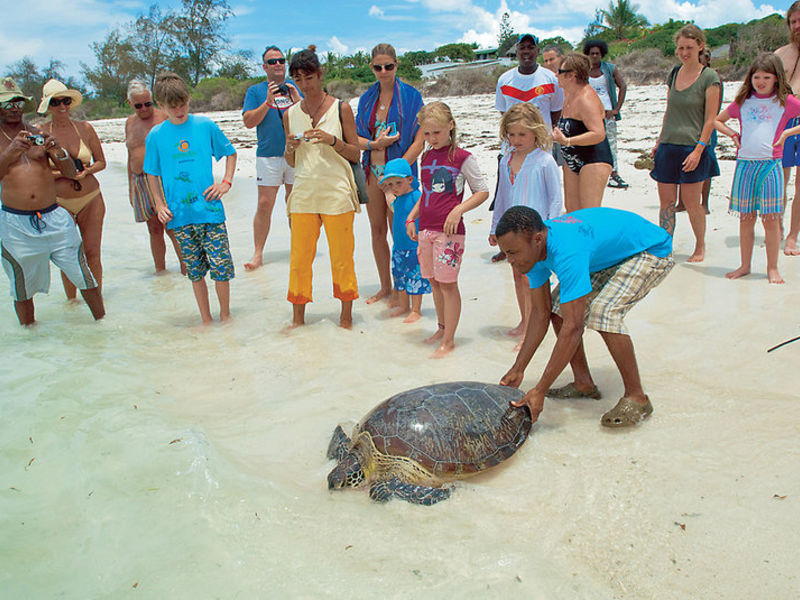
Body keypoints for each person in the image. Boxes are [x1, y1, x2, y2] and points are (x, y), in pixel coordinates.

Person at [496, 206, 674, 427]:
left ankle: (637, 398)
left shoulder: (567, 251)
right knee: (558, 310)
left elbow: (574, 327)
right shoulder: (530, 254)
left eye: (513, 253)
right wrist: (518, 367)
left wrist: (540, 389)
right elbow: (540, 314)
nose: (510, 261)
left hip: (650, 250)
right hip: (606, 257)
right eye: (506, 253)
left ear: (538, 239)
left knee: (604, 312)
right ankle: (583, 383)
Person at [0, 77, 104, 325]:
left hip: (54, 216)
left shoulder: (38, 132)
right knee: (22, 287)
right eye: (7, 103)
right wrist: (11, 151)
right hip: (16, 223)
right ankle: (31, 339)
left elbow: (68, 171)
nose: (14, 107)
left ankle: (102, 326)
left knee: (83, 274)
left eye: (18, 102)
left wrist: (58, 151)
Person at [144, 72, 237, 325]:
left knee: (221, 268)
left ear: (188, 99)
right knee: (195, 272)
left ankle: (226, 316)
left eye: (183, 103)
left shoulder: (205, 126)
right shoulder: (155, 135)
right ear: (160, 105)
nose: (179, 109)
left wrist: (226, 182)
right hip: (179, 217)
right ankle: (206, 319)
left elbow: (230, 152)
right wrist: (159, 204)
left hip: (210, 212)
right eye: (172, 106)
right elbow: (151, 173)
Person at [283, 47, 361, 329]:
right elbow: (290, 161)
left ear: (320, 74)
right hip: (303, 195)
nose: (305, 85)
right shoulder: (290, 114)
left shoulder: (341, 108)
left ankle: (346, 318)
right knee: (299, 261)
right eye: (298, 79)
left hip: (337, 194)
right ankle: (297, 322)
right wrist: (289, 147)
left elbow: (355, 154)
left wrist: (332, 141)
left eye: (309, 77)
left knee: (342, 259)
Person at [405, 102, 489, 358]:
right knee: (433, 282)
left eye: (437, 133)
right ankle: (441, 329)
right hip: (426, 229)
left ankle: (450, 340)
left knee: (448, 284)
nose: (432, 139)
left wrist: (458, 210)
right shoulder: (426, 156)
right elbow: (427, 193)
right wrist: (411, 217)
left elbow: (483, 191)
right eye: (427, 134)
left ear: (450, 126)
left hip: (449, 233)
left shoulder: (462, 157)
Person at [715, 53, 800, 284]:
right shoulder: (743, 102)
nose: (760, 81)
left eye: (766, 77)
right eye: (756, 77)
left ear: (776, 79)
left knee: (771, 219)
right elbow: (717, 120)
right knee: (746, 218)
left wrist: (787, 133)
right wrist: (733, 134)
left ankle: (772, 268)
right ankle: (744, 265)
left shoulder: (785, 102)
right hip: (744, 165)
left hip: (771, 165)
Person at [356, 43, 425, 304]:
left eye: (389, 66)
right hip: (372, 173)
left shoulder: (411, 97)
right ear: (371, 68)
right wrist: (375, 145)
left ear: (397, 65)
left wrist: (396, 176)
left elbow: (420, 142)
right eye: (378, 67)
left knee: (401, 232)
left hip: (402, 177)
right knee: (376, 231)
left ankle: (405, 291)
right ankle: (386, 287)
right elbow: (356, 138)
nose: (383, 71)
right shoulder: (366, 100)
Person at [489, 103, 562, 348]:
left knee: (535, 279)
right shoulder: (505, 161)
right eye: (511, 134)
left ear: (536, 132)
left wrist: (550, 229)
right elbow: (501, 197)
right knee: (517, 276)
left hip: (535, 233)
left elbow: (555, 198)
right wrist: (494, 228)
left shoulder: (544, 161)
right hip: (512, 232)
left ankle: (533, 326)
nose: (516, 139)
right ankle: (524, 320)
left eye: (522, 134)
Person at [650, 24, 721, 263]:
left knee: (692, 203)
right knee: (666, 203)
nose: (684, 52)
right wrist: (659, 141)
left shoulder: (709, 77)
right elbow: (669, 111)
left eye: (689, 47)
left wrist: (699, 150)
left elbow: (711, 119)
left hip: (694, 147)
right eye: (680, 48)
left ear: (701, 46)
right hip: (668, 145)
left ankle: (700, 246)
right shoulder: (673, 73)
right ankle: (664, 246)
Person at [493, 34, 564, 262]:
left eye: (530, 47)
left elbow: (556, 111)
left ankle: (537, 240)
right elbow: (505, 114)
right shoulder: (505, 80)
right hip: (511, 154)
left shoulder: (550, 78)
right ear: (516, 50)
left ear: (537, 50)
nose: (526, 51)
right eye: (521, 47)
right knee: (508, 193)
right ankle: (509, 242)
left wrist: (550, 230)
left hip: (540, 150)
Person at [38, 79, 106, 298]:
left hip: (91, 198)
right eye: (56, 102)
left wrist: (87, 171)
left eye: (65, 100)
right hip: (59, 203)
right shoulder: (40, 133)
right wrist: (61, 173)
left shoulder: (85, 128)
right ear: (48, 106)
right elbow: (37, 172)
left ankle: (96, 298)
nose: (62, 106)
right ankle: (72, 302)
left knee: (93, 253)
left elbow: (101, 162)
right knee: (68, 255)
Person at [242, 45, 302, 271]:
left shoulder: (296, 87)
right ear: (264, 67)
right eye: (272, 61)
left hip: (296, 154)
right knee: (264, 204)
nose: (278, 64)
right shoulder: (255, 91)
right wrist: (268, 101)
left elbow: (311, 117)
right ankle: (258, 254)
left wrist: (297, 100)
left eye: (281, 60)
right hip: (268, 155)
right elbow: (248, 122)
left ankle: (298, 249)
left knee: (294, 204)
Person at [124, 79, 184, 274]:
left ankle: (187, 269)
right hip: (140, 181)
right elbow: (130, 155)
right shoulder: (129, 123)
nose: (144, 109)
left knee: (172, 227)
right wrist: (130, 187)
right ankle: (161, 272)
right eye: (138, 105)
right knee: (154, 229)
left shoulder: (165, 118)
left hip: (163, 180)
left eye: (147, 104)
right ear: (130, 103)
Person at [551, 53, 613, 212]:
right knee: (572, 210)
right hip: (572, 158)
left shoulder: (586, 98)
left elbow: (598, 133)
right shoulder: (568, 95)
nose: (556, 75)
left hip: (594, 159)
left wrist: (567, 141)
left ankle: (598, 237)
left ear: (572, 75)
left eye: (560, 72)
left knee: (589, 213)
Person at [378, 158, 430, 322]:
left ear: (410, 180)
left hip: (414, 246)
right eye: (391, 184)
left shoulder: (416, 196)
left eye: (398, 183)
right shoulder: (397, 198)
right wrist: (386, 190)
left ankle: (416, 309)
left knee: (415, 279)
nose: (395, 187)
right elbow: (392, 205)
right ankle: (403, 305)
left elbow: (426, 213)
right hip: (399, 247)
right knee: (400, 277)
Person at [583, 39, 629, 189]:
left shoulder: (609, 69)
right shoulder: (584, 71)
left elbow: (622, 85)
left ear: (602, 54)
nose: (594, 56)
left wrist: (617, 109)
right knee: (590, 144)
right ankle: (593, 174)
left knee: (611, 143)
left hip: (607, 113)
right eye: (592, 53)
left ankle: (614, 174)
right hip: (589, 114)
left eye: (597, 53)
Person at [775, 1, 800, 255]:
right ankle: (779, 228)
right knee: (778, 181)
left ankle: (793, 236)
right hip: (782, 122)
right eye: (793, 21)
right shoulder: (780, 54)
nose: (797, 26)